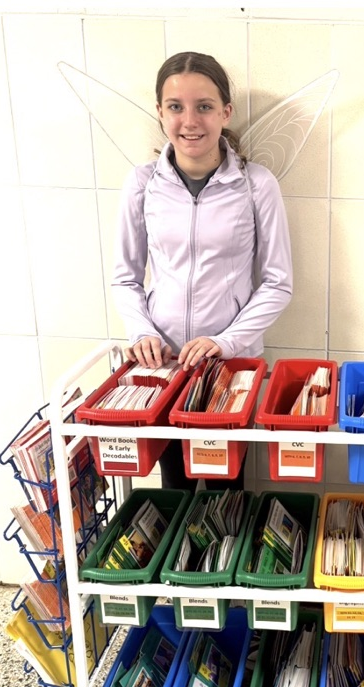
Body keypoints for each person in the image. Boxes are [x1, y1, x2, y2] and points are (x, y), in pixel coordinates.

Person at [112, 51, 292, 492]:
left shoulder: (256, 184)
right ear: (160, 112)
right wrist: (141, 334)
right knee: (173, 488)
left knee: (224, 492)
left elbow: (277, 282)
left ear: (225, 112)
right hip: (165, 367)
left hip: (230, 368)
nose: (189, 120)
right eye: (175, 107)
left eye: (204, 106)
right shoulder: (141, 183)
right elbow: (125, 277)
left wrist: (223, 341)